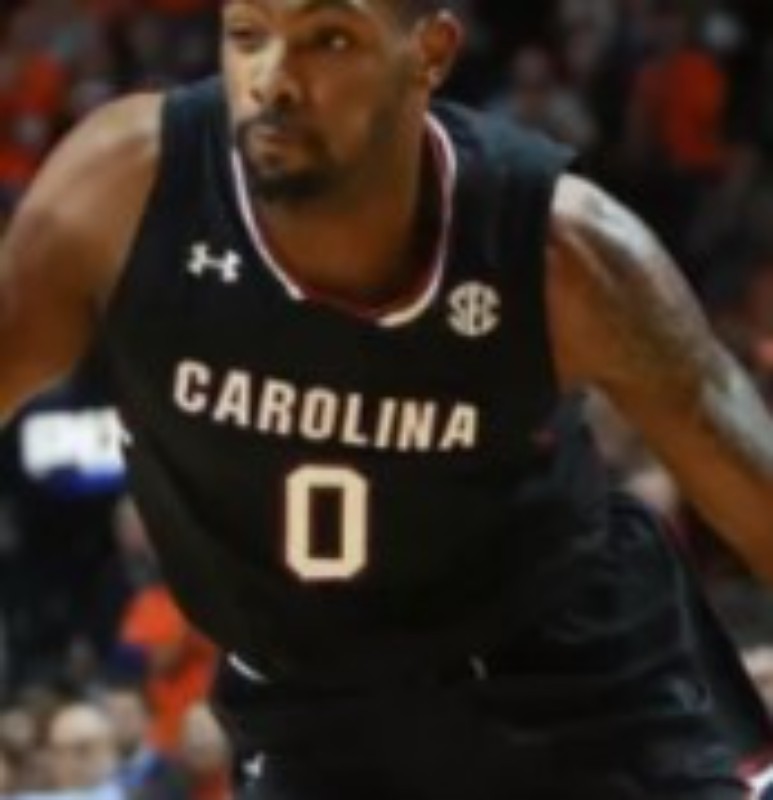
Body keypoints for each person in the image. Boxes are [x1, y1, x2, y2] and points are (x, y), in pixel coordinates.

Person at [2, 0, 773, 797]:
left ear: (429, 54)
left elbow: (756, 499)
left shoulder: (558, 250)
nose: (273, 79)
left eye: (329, 39)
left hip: (573, 680)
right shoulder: (125, 192)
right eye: (247, 36)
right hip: (312, 711)